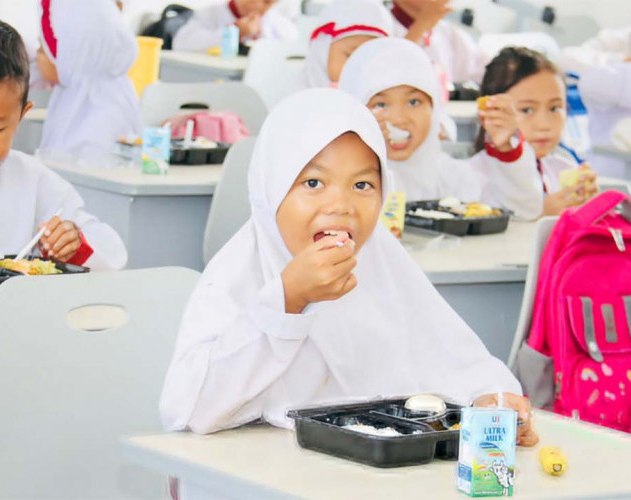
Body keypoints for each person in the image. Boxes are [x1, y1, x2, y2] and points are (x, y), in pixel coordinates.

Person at [159, 88, 538, 448]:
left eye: (361, 185)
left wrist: (492, 397)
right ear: (270, 188)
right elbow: (191, 410)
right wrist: (288, 299)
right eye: (313, 182)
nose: (340, 205)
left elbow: (456, 359)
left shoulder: (383, 263)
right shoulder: (235, 276)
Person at [0, 15, 127, 270]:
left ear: (20, 117)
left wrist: (73, 245)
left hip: (4, 311)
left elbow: (113, 255)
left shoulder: (33, 182)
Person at [338, 37, 542, 219]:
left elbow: (521, 212)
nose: (399, 119)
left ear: (434, 110)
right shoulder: (333, 183)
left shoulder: (450, 176)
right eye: (379, 105)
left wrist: (506, 146)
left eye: (414, 102)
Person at [476, 47, 599, 216]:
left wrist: (592, 209)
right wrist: (539, 215)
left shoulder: (564, 168)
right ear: (491, 112)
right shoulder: (474, 178)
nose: (544, 124)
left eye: (555, 108)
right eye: (526, 110)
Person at [36, 0, 142, 162]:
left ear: (68, 56)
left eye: (42, 49)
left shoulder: (96, 118)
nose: (37, 55)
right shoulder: (109, 91)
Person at [300, 0, 393, 89]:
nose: (361, 66)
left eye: (373, 57)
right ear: (322, 54)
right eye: (350, 55)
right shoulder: (299, 97)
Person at [172, 0, 297, 52]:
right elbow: (181, 44)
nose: (259, 6)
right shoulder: (210, 14)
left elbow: (292, 48)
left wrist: (262, 33)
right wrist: (235, 31)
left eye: (267, 2)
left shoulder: (278, 23)